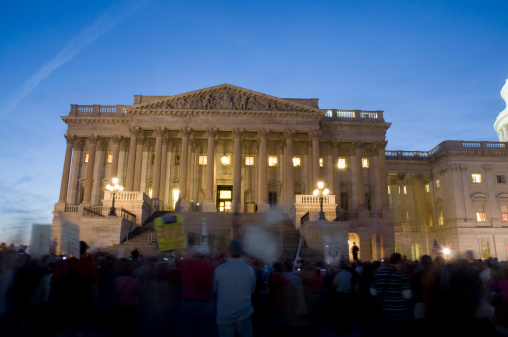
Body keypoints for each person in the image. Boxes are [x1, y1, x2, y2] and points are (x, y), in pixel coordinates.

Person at [214, 240, 256, 337]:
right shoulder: (249, 270)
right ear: (241, 252)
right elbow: (252, 290)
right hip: (244, 313)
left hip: (224, 314)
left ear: (229, 251)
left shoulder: (219, 269)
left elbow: (215, 290)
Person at [370, 253, 411, 335]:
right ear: (400, 262)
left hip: (383, 311)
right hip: (398, 312)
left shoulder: (377, 273)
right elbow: (407, 295)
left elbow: (372, 292)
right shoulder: (401, 274)